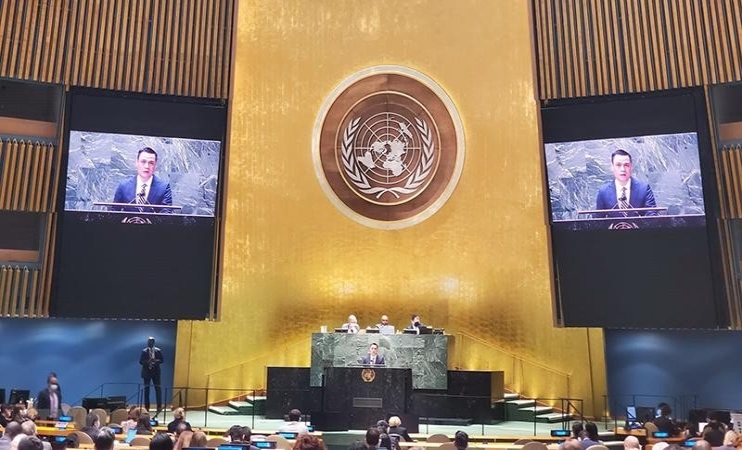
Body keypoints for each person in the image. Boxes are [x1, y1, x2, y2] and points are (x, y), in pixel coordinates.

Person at [595, 149, 657, 218]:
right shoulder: (603, 192)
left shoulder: (644, 189)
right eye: (618, 165)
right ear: (612, 167)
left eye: (626, 165)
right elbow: (598, 219)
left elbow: (652, 216)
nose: (623, 169)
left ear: (631, 167)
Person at [112, 147, 173, 213]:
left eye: (151, 163)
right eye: (143, 162)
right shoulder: (123, 186)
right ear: (136, 163)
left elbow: (166, 214)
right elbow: (113, 212)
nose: (147, 166)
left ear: (155, 166)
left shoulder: (164, 188)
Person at [139, 336, 164, 413]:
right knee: (146, 390)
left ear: (153, 342)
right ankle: (147, 407)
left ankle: (159, 407)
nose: (149, 343)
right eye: (148, 342)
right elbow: (141, 361)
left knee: (158, 390)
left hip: (156, 373)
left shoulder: (158, 351)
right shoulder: (144, 351)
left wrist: (155, 361)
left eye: (150, 342)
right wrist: (148, 361)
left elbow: (162, 360)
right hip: (147, 372)